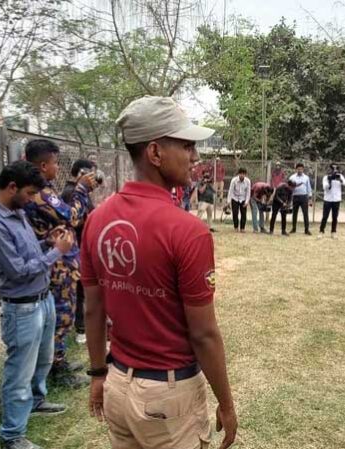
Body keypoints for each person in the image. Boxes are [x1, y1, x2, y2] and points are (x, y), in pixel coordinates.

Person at [81, 95, 237, 449]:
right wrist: (226, 404)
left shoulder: (97, 220)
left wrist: (97, 375)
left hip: (118, 387)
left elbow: (92, 308)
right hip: (169, 401)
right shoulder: (187, 230)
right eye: (186, 145)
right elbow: (204, 335)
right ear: (155, 153)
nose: (194, 156)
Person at [0, 161, 73, 449]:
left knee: (42, 359)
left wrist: (46, 242)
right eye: (29, 193)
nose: (32, 200)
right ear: (11, 187)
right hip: (22, 306)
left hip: (42, 299)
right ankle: (12, 434)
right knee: (19, 371)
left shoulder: (16, 212)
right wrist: (57, 252)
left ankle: (37, 401)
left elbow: (27, 252)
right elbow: (17, 270)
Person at [24, 139, 97, 387]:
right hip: (57, 266)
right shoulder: (41, 193)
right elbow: (72, 216)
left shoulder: (45, 189)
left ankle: (59, 360)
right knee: (62, 315)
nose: (58, 167)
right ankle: (57, 369)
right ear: (43, 165)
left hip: (63, 261)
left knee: (62, 315)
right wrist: (81, 190)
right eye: (55, 163)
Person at [62, 159, 98, 345]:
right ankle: (80, 328)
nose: (94, 179)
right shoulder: (71, 193)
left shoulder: (82, 192)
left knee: (83, 288)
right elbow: (74, 219)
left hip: (82, 244)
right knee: (79, 288)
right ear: (81, 173)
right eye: (91, 174)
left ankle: (79, 325)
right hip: (74, 246)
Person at [319, 163, 345, 239]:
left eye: (336, 169)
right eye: (332, 169)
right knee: (325, 216)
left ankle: (333, 232)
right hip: (328, 199)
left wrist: (340, 180)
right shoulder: (326, 177)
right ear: (330, 170)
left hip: (336, 199)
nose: (334, 171)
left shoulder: (340, 176)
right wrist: (330, 180)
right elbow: (325, 187)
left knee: (335, 217)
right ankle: (321, 231)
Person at [289, 162, 313, 235]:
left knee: (305, 213)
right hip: (295, 197)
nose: (300, 170)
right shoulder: (292, 177)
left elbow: (308, 188)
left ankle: (306, 229)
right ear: (296, 169)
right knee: (294, 213)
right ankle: (293, 228)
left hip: (303, 197)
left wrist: (310, 199)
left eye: (301, 169)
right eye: (298, 169)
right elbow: (289, 188)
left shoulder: (306, 177)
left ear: (303, 169)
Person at [228, 167, 251, 232]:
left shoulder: (248, 181)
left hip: (243, 198)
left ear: (245, 174)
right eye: (241, 173)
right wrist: (228, 201)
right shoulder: (234, 180)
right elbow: (230, 191)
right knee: (235, 213)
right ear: (238, 174)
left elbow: (248, 192)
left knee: (243, 214)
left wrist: (246, 202)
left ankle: (242, 228)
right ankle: (236, 227)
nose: (242, 175)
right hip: (235, 197)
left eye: (243, 174)